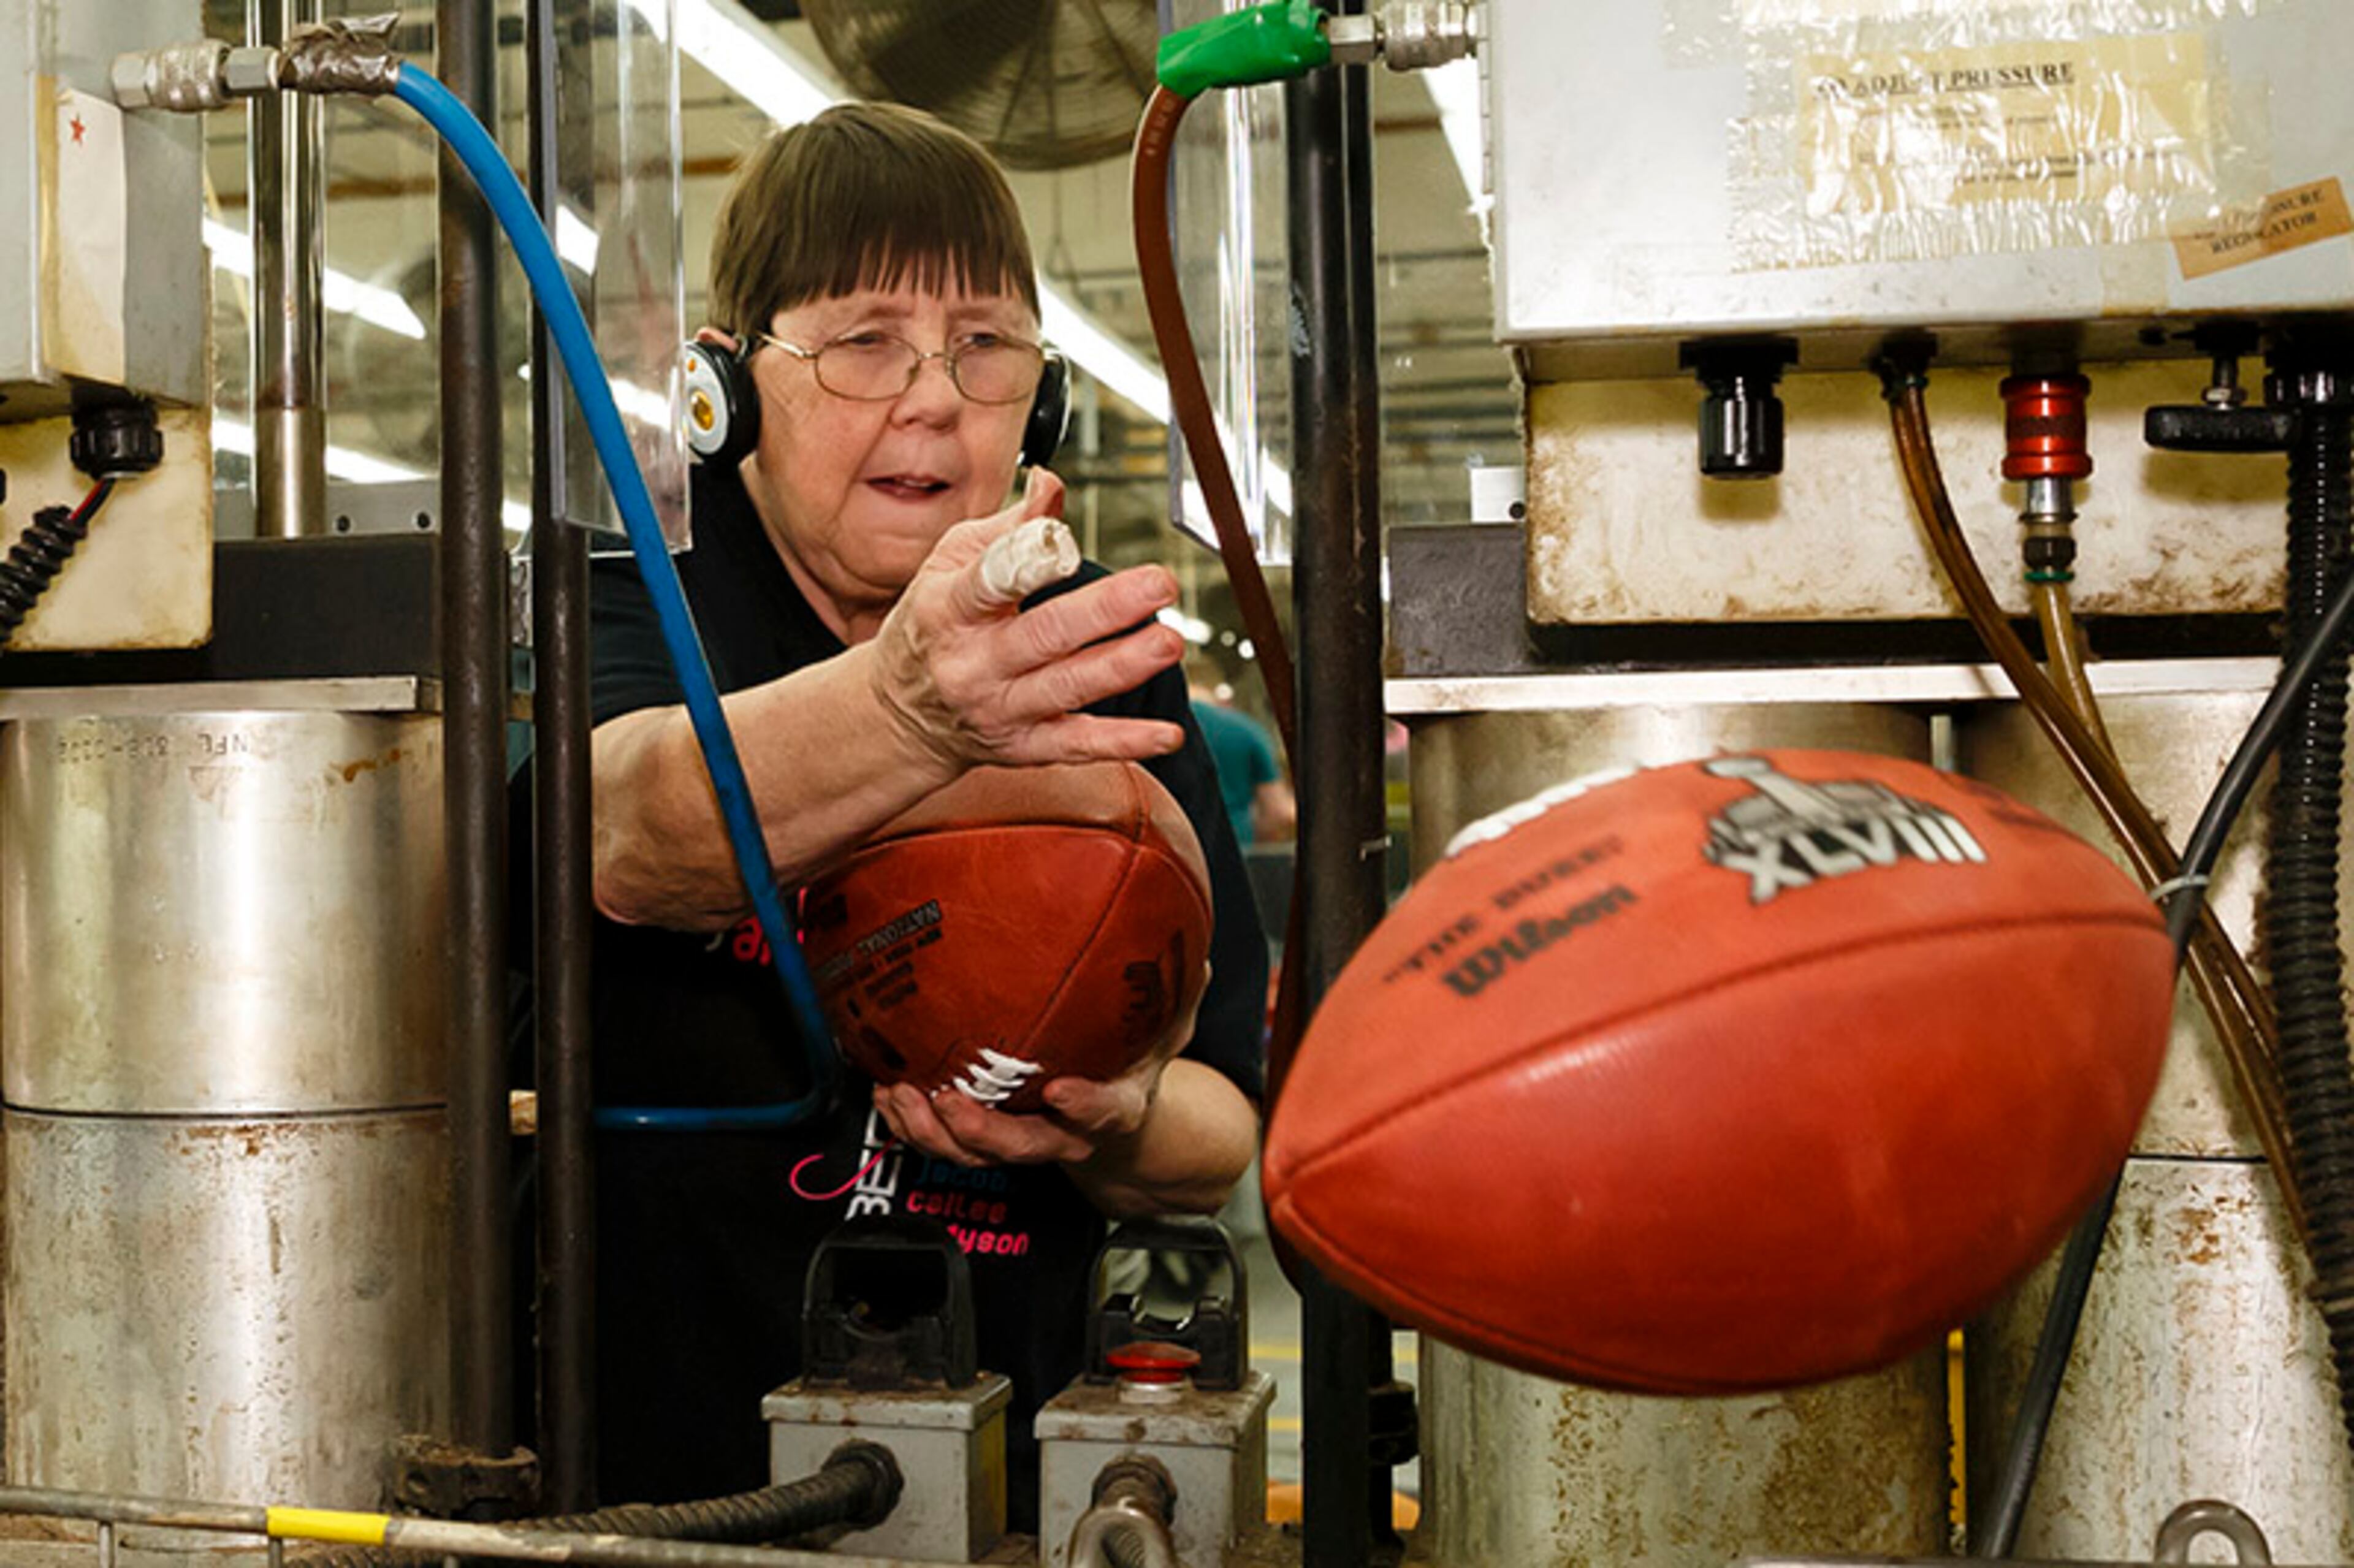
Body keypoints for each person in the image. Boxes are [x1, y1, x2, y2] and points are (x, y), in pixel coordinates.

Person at [574, 103, 1266, 1522]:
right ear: (727, 390)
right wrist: (904, 714)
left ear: (1041, 399)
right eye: (863, 339)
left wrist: (1114, 1112)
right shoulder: (643, 586)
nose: (935, 395)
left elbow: (1226, 1123)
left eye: (985, 343)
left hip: (999, 1468)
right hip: (656, 1477)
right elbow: (621, 835)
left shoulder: (1090, 647)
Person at [1188, 679, 1295, 846]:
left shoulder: (1157, 731)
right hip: (1236, 846)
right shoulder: (1247, 730)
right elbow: (1279, 811)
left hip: (1171, 851)